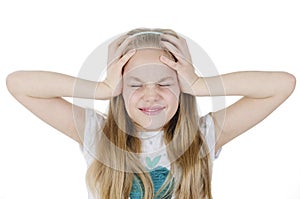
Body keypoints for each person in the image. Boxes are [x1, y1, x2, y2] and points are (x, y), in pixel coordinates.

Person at [6, 28, 296, 199]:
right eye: (135, 84)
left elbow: (282, 84)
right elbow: (19, 84)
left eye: (165, 82)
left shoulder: (203, 136)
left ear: (181, 87)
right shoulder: (97, 134)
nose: (151, 94)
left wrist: (200, 84)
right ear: (121, 88)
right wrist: (101, 88)